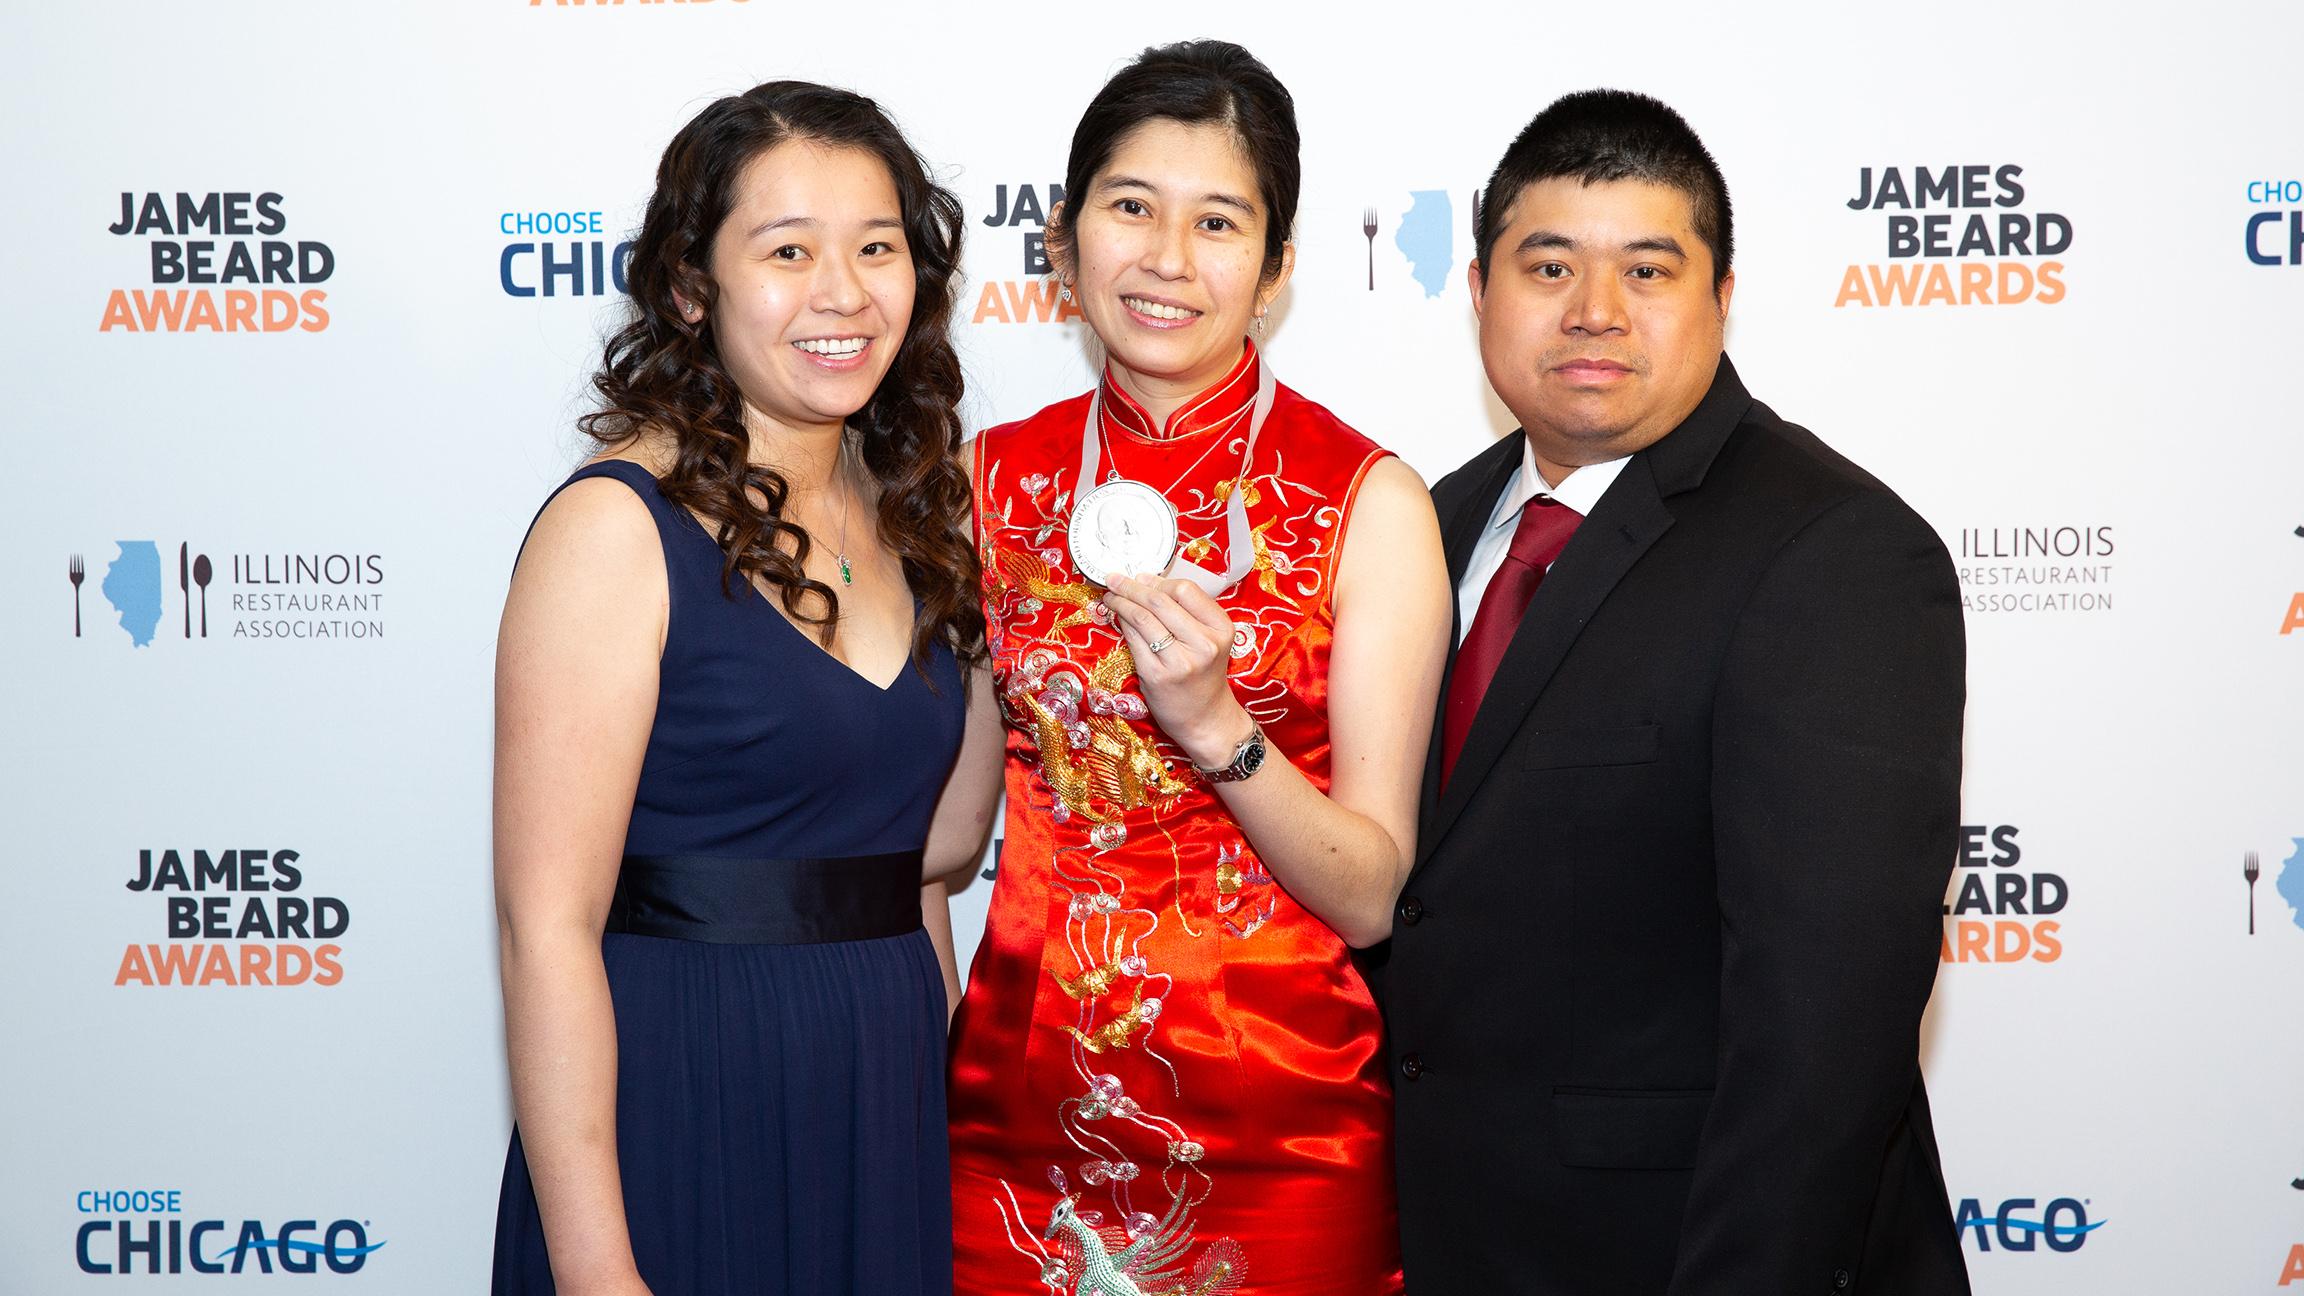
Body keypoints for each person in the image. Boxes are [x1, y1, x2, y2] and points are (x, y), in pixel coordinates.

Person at [1378, 90, 1970, 1294]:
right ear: (1479, 290)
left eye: (1649, 267)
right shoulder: (1421, 528)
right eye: (1549, 265)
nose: (1595, 311)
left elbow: (1827, 1029)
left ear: (1722, 295)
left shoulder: (1835, 551)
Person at [944, 40, 1448, 1296]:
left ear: (1276, 269)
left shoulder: (1366, 501)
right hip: (1014, 1135)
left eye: (1218, 222)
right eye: (1131, 208)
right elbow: (947, 827)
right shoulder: (986, 486)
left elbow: (1372, 894)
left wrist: (1218, 724)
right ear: (1061, 242)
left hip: (1290, 1134)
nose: (1168, 260)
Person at [489, 81, 1004, 1296]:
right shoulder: (618, 528)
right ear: (689, 288)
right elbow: (545, 928)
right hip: (683, 1095)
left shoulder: (924, 519)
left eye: (878, 247)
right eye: (788, 251)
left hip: (882, 1104)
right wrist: (598, 1269)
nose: (844, 291)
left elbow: (931, 862)